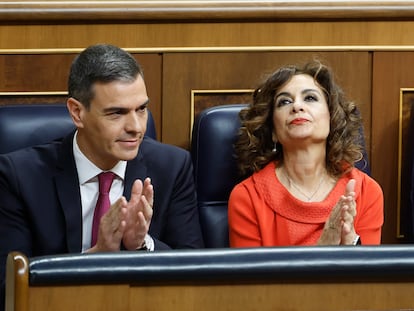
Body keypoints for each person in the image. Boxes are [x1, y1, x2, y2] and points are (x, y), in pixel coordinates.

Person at [0, 44, 204, 308]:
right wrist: (98, 255)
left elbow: (196, 272)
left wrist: (141, 245)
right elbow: (9, 288)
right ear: (77, 112)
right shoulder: (19, 176)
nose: (136, 127)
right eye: (117, 113)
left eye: (141, 109)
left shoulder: (172, 166)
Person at [228, 60, 384, 247]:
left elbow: (369, 275)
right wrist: (323, 249)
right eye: (284, 101)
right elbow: (252, 276)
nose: (297, 107)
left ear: (332, 118)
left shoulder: (366, 192)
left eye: (310, 98)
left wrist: (351, 246)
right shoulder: (247, 197)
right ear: (273, 131)